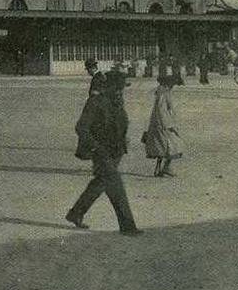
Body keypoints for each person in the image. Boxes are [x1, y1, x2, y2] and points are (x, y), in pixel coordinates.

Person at [66, 70, 142, 236]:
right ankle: (128, 227)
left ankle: (76, 213)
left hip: (116, 152)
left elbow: (118, 124)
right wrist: (96, 148)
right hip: (102, 152)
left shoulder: (117, 102)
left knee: (101, 183)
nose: (122, 92)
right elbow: (81, 127)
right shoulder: (95, 102)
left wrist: (123, 139)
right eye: (119, 88)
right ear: (111, 87)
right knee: (116, 186)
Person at [144, 74, 184, 177]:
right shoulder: (163, 93)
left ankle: (158, 169)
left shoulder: (161, 91)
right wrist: (168, 124)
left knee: (161, 147)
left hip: (158, 123)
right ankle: (165, 168)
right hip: (163, 124)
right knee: (173, 145)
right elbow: (161, 110)